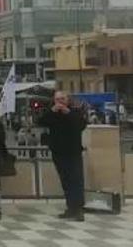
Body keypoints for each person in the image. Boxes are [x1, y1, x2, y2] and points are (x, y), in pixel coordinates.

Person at [38, 91, 88, 221]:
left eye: (62, 99)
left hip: (73, 152)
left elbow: (82, 125)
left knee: (76, 180)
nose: (60, 101)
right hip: (58, 152)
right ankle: (70, 207)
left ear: (67, 100)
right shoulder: (52, 113)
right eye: (57, 99)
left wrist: (68, 113)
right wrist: (52, 111)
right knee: (65, 181)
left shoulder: (74, 112)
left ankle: (78, 209)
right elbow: (41, 122)